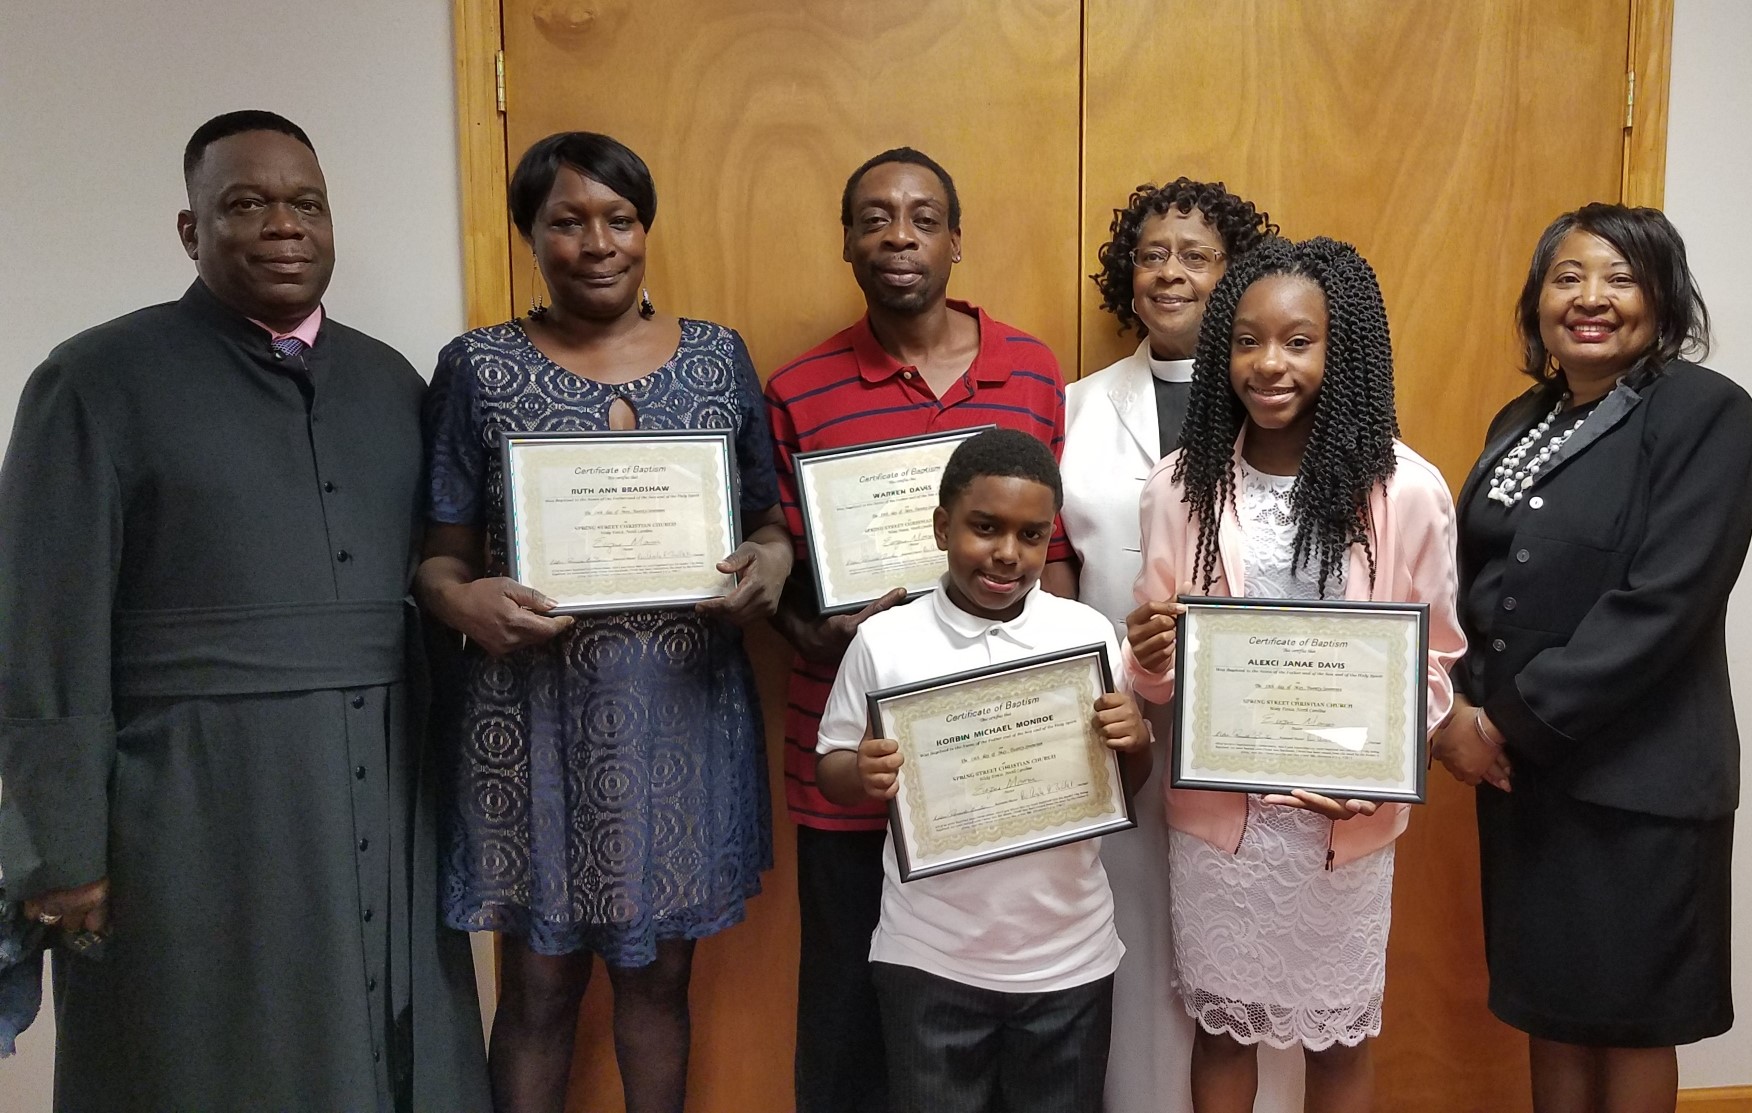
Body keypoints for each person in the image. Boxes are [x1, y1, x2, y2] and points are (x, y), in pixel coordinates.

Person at [0, 110, 489, 1112]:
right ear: (192, 230)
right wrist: (62, 847)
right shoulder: (93, 380)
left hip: (385, 782)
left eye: (307, 204)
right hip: (189, 802)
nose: (284, 226)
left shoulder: (390, 378)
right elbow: (42, 621)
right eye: (248, 204)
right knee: (200, 1053)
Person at [417, 131, 787, 1113]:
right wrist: (463, 601)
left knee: (660, 982)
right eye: (566, 221)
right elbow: (438, 558)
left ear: (644, 228)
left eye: (618, 219)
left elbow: (767, 520)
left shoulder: (716, 358)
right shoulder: (478, 367)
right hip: (531, 723)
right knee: (538, 989)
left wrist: (773, 564)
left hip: (680, 717)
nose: (596, 243)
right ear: (529, 235)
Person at [763, 147, 1073, 1113]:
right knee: (848, 1025)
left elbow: (1056, 555)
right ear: (847, 242)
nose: (900, 237)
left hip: (1004, 759)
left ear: (956, 239)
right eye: (875, 218)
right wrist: (815, 634)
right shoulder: (797, 387)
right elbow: (777, 562)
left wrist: (1068, 714)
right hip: (857, 767)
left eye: (924, 218)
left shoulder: (1031, 368)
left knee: (993, 1024)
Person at [1126, 237, 1464, 1113]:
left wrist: (1371, 768)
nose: (1267, 363)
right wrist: (1151, 657)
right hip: (1221, 827)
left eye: (1297, 341)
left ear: (1341, 349)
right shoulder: (1178, 488)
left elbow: (1435, 662)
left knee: (1341, 1039)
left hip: (1341, 824)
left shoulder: (1407, 491)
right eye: (1246, 340)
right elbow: (1157, 682)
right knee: (1221, 1032)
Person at [1430, 203, 1749, 1113]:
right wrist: (1455, 707)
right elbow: (1479, 579)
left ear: (1664, 297)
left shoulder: (1707, 412)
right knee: (1554, 1008)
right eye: (1567, 277)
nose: (1590, 298)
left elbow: (1664, 603)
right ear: (1539, 300)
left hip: (1640, 783)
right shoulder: (1523, 417)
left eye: (1620, 278)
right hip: (1529, 782)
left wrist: (1504, 722)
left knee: (1633, 1019)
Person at [815, 428, 1151, 1113]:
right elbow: (832, 764)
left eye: (1031, 535)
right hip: (929, 956)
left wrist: (1137, 740)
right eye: (985, 527)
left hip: (1070, 958)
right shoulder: (885, 640)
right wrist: (863, 772)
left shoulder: (1086, 635)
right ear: (943, 527)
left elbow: (1125, 783)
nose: (1007, 553)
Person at [1057, 178, 1276, 1112]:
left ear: (1237, 275)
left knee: (1248, 944)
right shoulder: (1076, 406)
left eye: (1197, 256)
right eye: (1152, 255)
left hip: (1255, 723)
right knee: (1133, 920)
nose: (1171, 272)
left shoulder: (1280, 400)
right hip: (1116, 712)